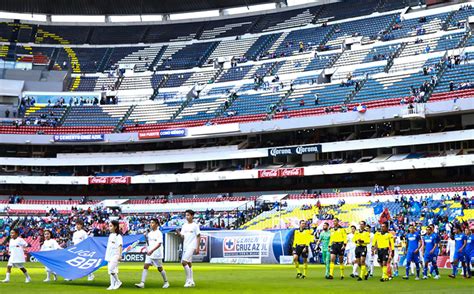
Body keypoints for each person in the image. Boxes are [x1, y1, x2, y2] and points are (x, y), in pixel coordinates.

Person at [135, 219, 169, 289]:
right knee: (145, 266)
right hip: (150, 253)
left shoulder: (159, 233)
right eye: (150, 223)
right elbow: (148, 243)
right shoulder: (150, 233)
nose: (151, 224)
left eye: (152, 223)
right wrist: (145, 238)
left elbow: (159, 244)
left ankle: (166, 282)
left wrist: (152, 250)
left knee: (160, 268)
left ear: (157, 224)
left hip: (157, 253)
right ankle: (142, 283)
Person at [176, 209, 201, 288]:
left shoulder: (195, 225)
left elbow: (198, 236)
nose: (187, 217)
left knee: (183, 262)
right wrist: (179, 233)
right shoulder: (184, 225)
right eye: (186, 215)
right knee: (189, 264)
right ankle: (192, 281)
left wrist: (197, 247)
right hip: (185, 246)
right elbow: (183, 236)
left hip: (192, 246)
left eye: (188, 215)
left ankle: (188, 280)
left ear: (192, 216)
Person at [105, 220, 123, 290]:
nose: (109, 227)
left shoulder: (118, 236)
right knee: (111, 271)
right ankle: (112, 285)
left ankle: (118, 282)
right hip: (109, 255)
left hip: (115, 255)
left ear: (115, 227)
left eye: (111, 226)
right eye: (109, 226)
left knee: (111, 269)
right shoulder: (110, 235)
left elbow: (120, 246)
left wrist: (120, 255)